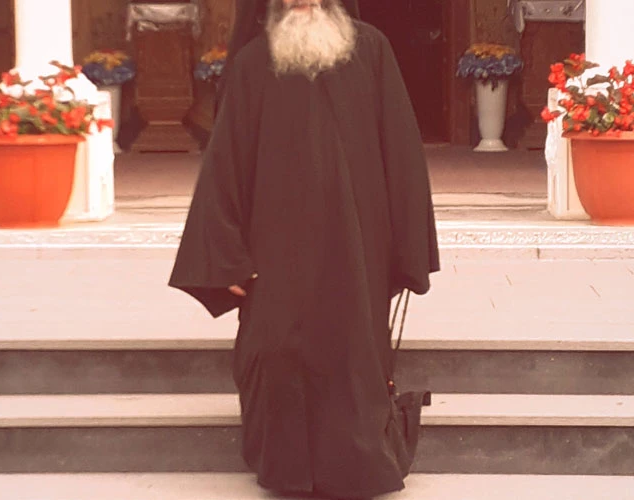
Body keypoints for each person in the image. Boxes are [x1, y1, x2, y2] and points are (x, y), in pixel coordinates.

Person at [168, 0, 439, 497]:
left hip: (359, 247)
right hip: (273, 250)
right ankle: (287, 470)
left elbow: (401, 150)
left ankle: (356, 468)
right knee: (276, 352)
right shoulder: (252, 62)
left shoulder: (372, 50)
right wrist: (226, 257)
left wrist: (408, 247)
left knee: (352, 354)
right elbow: (225, 165)